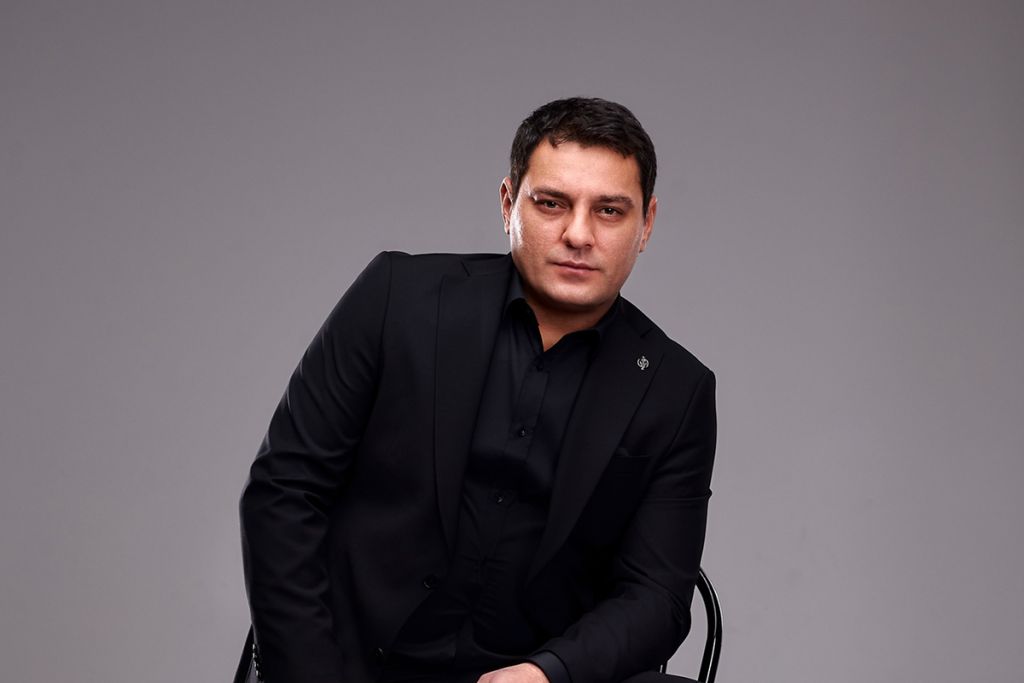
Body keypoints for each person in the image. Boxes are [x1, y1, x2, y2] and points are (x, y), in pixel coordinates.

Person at [238, 97, 717, 683]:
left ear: (646, 225)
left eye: (610, 211)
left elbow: (656, 595)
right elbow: (284, 491)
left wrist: (549, 673)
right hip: (348, 662)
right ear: (508, 203)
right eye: (551, 203)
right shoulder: (396, 299)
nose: (578, 234)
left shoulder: (675, 390)